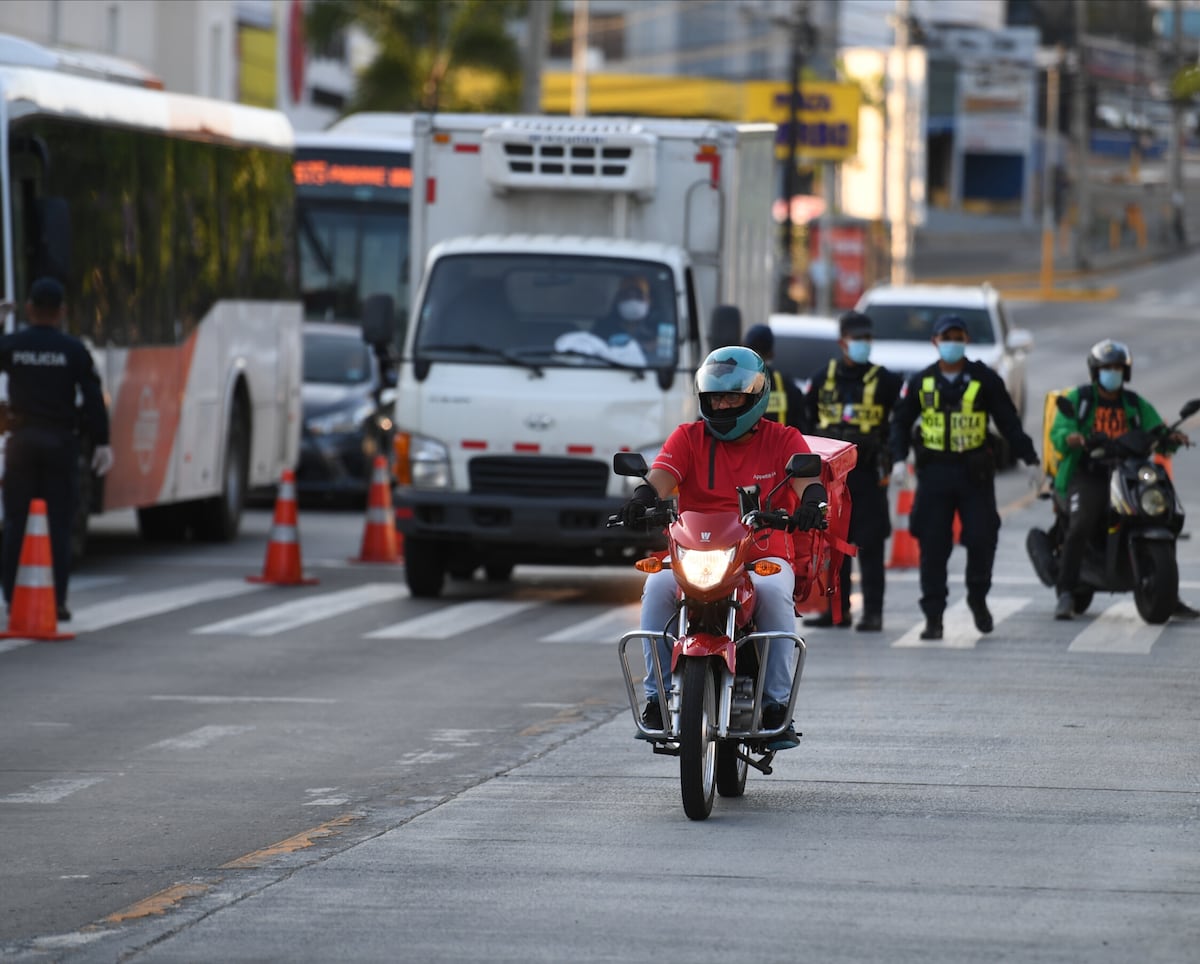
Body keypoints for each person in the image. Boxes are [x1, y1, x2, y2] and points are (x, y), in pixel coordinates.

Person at [620, 346, 827, 750]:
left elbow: (808, 482)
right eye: (716, 397)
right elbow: (660, 477)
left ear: (755, 398)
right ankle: (656, 699)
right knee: (657, 589)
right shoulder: (688, 437)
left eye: (732, 397)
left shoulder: (783, 438)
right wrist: (641, 497)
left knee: (773, 592)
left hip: (762, 551)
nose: (722, 404)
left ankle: (775, 706)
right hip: (696, 551)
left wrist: (810, 505)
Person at [889, 313, 1039, 640]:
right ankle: (933, 617)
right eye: (947, 338)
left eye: (958, 337)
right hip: (934, 475)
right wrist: (898, 459)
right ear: (935, 342)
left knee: (983, 539)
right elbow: (900, 422)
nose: (952, 343)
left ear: (966, 341)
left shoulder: (984, 379)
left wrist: (1030, 459)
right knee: (933, 546)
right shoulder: (922, 381)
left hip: (975, 475)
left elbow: (1009, 422)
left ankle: (977, 598)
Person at [1048, 339, 1193, 620]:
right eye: (1107, 368)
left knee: (1163, 515)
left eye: (1117, 368)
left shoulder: (1134, 404)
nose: (1112, 373)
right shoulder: (1081, 400)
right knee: (1082, 522)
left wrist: (1171, 438)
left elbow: (1157, 430)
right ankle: (1065, 591)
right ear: (1095, 371)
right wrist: (1072, 437)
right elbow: (1061, 430)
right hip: (1090, 474)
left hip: (1129, 472)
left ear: (1125, 373)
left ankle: (1168, 594)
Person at [0, 278, 112, 621]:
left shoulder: (13, 345)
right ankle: (57, 599)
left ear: (30, 309)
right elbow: (93, 398)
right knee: (59, 523)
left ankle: (12, 596)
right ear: (61, 312)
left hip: (20, 443)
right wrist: (103, 441)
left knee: (16, 521)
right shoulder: (73, 350)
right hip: (61, 444)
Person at [802, 310, 903, 631]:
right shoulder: (821, 379)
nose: (863, 344)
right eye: (857, 338)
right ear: (842, 342)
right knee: (831, 545)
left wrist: (897, 458)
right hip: (831, 477)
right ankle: (837, 611)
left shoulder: (886, 381)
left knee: (870, 546)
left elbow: (900, 423)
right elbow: (805, 425)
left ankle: (872, 612)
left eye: (867, 338)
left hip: (869, 474)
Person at [595, 273, 672, 364]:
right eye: (627, 296)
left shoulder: (661, 329)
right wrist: (644, 347)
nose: (632, 301)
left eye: (639, 296)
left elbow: (667, 358)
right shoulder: (603, 326)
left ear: (649, 300)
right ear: (618, 300)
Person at [742, 323, 805, 429]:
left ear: (742, 348)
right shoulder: (788, 389)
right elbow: (802, 432)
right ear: (771, 354)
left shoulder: (728, 385)